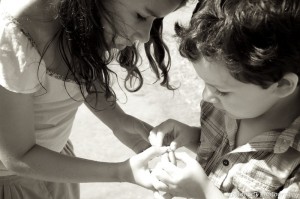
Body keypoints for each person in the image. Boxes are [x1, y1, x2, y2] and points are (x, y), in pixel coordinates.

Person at [0, 0, 189, 198]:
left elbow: (77, 68)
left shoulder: (76, 15)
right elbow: (19, 156)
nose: (144, 36)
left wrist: (118, 120)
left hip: (58, 164)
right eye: (141, 16)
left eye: (156, 20)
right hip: (14, 184)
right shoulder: (13, 37)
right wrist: (121, 172)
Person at [148, 0, 300, 198]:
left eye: (221, 90)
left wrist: (204, 193)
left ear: (282, 85)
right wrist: (193, 137)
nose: (207, 96)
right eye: (205, 83)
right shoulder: (226, 107)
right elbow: (230, 155)